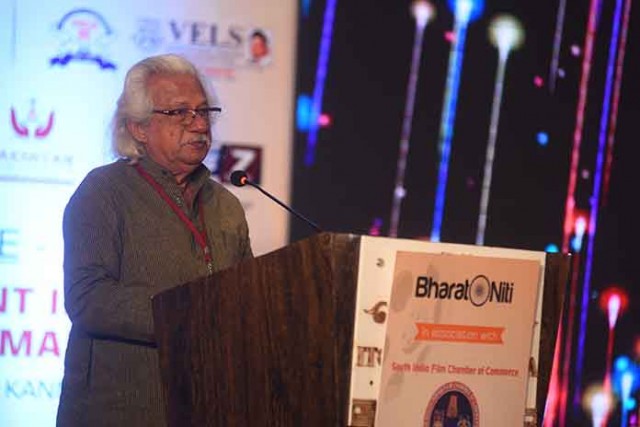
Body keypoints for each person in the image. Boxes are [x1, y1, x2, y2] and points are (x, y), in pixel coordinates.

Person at [56, 53, 253, 426]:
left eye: (203, 111)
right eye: (179, 113)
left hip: (209, 407)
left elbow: (247, 298)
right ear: (138, 128)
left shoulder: (225, 205)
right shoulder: (104, 191)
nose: (199, 124)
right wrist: (186, 315)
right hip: (123, 409)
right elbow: (87, 298)